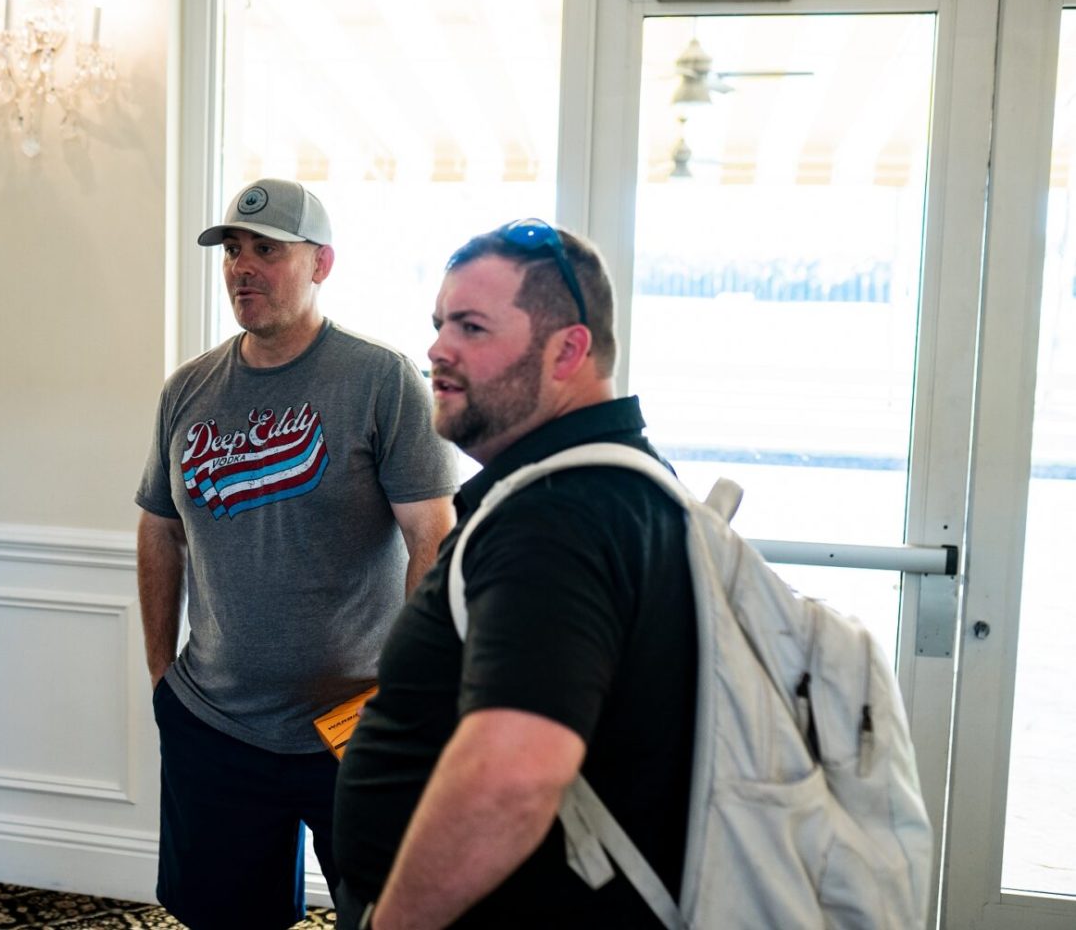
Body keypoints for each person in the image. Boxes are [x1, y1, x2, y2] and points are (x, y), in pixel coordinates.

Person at [332, 220, 698, 929]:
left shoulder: (557, 517)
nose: (437, 348)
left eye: (472, 326)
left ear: (569, 350)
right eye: (439, 324)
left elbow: (514, 779)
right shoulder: (621, 481)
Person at [135, 178, 458, 929]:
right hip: (213, 722)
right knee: (222, 918)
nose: (243, 267)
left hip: (352, 726)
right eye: (234, 251)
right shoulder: (188, 390)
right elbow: (159, 526)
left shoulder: (381, 380)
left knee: (385, 916)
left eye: (267, 250)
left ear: (321, 264)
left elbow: (431, 539)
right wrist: (160, 673)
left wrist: (404, 698)